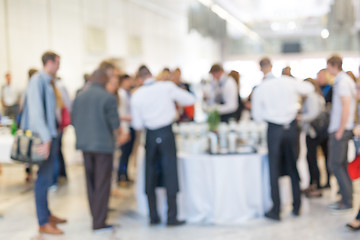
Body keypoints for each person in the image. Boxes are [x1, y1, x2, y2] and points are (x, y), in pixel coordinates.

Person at [131, 65, 195, 226]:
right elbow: (190, 99)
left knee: (150, 174)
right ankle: (172, 216)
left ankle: (153, 216)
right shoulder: (166, 87)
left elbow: (137, 124)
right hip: (166, 134)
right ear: (152, 74)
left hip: (150, 136)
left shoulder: (136, 95)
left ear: (139, 79)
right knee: (170, 173)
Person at [252, 57, 314, 221]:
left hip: (274, 130)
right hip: (291, 128)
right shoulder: (287, 82)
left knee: (274, 170)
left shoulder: (261, 88)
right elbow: (308, 88)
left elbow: (257, 117)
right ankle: (297, 206)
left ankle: (276, 210)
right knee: (293, 167)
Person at [72, 66, 128, 232]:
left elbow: (73, 119)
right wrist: (121, 134)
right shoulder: (107, 97)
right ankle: (99, 221)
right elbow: (115, 123)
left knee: (90, 182)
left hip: (85, 145)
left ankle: (95, 215)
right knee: (102, 183)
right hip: (103, 146)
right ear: (103, 80)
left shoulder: (79, 96)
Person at [21, 51, 66, 235]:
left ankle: (47, 214)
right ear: (50, 62)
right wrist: (46, 139)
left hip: (51, 135)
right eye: (58, 62)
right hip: (43, 138)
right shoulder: (37, 81)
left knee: (47, 177)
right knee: (42, 178)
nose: (59, 66)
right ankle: (43, 221)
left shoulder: (47, 82)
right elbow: (36, 113)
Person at [326, 55, 356, 214]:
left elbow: (345, 106)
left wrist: (340, 129)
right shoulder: (343, 81)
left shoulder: (343, 82)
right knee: (341, 164)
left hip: (341, 130)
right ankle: (346, 197)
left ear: (333, 66)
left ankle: (346, 200)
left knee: (335, 165)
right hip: (342, 128)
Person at [299, 78, 326, 197]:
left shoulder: (312, 97)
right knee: (311, 158)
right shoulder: (316, 96)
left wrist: (300, 117)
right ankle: (313, 184)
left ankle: (316, 186)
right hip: (314, 132)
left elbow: (313, 115)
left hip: (313, 132)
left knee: (312, 159)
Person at [117, 74, 136, 185]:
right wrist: (124, 131)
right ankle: (121, 176)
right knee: (124, 154)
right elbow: (122, 113)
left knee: (128, 154)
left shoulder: (127, 93)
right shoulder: (121, 94)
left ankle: (125, 174)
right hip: (126, 127)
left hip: (129, 125)